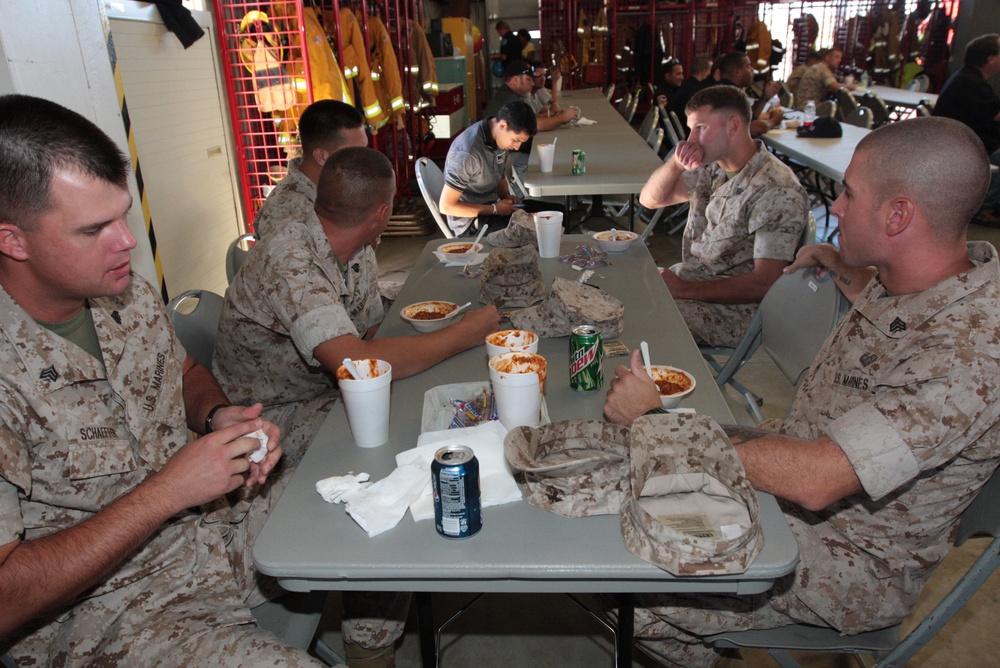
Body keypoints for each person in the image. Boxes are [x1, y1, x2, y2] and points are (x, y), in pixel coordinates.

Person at [603, 115, 1000, 668]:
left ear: (899, 215)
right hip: (800, 471)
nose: (834, 208)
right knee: (615, 469)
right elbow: (895, 321)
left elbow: (817, 481)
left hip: (849, 558)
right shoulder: (912, 274)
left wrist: (659, 424)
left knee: (624, 583)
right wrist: (838, 261)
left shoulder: (970, 351)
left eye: (850, 194)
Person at [0, 94, 327, 666]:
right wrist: (168, 492)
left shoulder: (120, 293)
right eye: (94, 228)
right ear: (13, 241)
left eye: (123, 214)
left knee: (367, 514)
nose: (127, 240)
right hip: (105, 611)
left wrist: (216, 415)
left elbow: (182, 371)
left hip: (207, 530)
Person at [213, 147, 498, 666]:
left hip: (321, 389)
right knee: (396, 454)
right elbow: (358, 362)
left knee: (425, 410)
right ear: (382, 213)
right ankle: (371, 642)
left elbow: (370, 334)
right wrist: (463, 335)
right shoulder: (290, 257)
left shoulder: (356, 245)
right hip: (266, 417)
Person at [638, 85, 808, 348]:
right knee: (624, 296)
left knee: (641, 325)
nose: (691, 139)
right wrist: (675, 163)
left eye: (701, 128)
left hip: (736, 312)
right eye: (691, 128)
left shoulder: (776, 188)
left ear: (732, 126)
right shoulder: (712, 167)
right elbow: (650, 200)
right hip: (694, 284)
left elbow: (765, 282)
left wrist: (683, 290)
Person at [440, 100, 567, 235]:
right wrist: (494, 209)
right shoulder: (467, 153)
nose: (517, 147)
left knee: (560, 214)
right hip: (473, 222)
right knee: (543, 229)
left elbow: (499, 176)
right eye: (516, 140)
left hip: (494, 207)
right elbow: (446, 206)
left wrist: (506, 196)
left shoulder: (500, 138)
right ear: (502, 125)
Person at [254, 99, 368, 238]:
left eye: (364, 150)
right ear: (322, 157)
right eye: (353, 153)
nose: (363, 160)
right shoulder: (287, 211)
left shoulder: (335, 190)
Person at [484, 61, 578, 201]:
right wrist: (563, 117)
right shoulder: (508, 99)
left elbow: (532, 119)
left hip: (501, 156)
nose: (532, 83)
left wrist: (552, 115)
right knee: (541, 163)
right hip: (502, 158)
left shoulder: (512, 96)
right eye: (528, 79)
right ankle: (525, 197)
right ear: (516, 79)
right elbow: (537, 124)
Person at [933, 33, 1000, 225]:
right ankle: (984, 207)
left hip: (960, 142)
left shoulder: (965, 76)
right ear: (990, 59)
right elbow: (996, 114)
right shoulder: (971, 82)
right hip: (962, 147)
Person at [712, 52, 784, 136]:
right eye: (748, 66)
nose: (752, 70)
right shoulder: (731, 95)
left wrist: (765, 96)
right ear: (737, 72)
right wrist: (774, 121)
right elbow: (752, 127)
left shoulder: (722, 89)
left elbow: (748, 117)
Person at [795, 46, 855, 110]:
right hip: (808, 106)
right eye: (836, 57)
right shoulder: (823, 69)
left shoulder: (819, 67)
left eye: (840, 58)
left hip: (805, 104)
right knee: (843, 109)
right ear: (827, 57)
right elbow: (837, 88)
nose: (839, 60)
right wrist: (851, 87)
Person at [666, 56, 712, 132]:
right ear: (703, 72)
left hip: (680, 127)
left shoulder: (687, 85)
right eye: (709, 72)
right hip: (687, 128)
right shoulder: (697, 91)